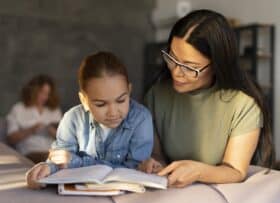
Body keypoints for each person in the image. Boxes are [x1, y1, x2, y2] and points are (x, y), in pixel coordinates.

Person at [139, 9, 274, 188]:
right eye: (172, 58)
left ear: (217, 65)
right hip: (171, 194)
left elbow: (235, 170)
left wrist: (199, 171)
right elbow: (157, 158)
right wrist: (153, 165)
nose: (176, 72)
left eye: (190, 67)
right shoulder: (156, 96)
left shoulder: (243, 105)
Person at [26, 51, 153, 189]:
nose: (113, 112)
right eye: (101, 104)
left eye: (121, 100)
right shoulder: (72, 119)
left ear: (129, 90)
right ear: (84, 100)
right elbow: (59, 160)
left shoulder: (141, 118)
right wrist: (46, 168)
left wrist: (76, 162)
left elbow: (133, 169)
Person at [6, 74, 62, 162]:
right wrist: (31, 130)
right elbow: (10, 139)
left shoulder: (54, 111)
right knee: (54, 159)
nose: (45, 97)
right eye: (42, 93)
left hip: (54, 152)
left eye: (47, 94)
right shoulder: (18, 109)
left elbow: (65, 138)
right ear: (33, 91)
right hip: (30, 153)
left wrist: (53, 132)